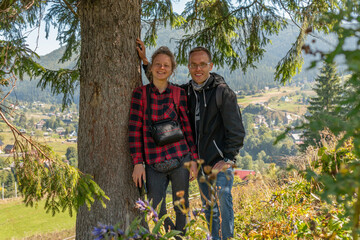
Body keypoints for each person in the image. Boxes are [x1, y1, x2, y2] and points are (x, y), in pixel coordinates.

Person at [137, 39, 245, 240]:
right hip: (200, 161)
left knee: (223, 200)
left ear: (210, 66)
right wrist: (145, 62)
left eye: (202, 64)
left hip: (220, 161)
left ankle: (227, 237)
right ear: (188, 67)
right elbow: (161, 83)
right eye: (194, 64)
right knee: (209, 208)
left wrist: (229, 158)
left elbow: (237, 130)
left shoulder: (223, 92)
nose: (198, 69)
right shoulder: (186, 91)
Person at [129, 45, 198, 235]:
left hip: (180, 160)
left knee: (181, 206)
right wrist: (138, 163)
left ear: (172, 69)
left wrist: (192, 159)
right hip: (152, 163)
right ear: (151, 68)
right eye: (157, 64)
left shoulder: (178, 93)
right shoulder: (140, 94)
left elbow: (187, 129)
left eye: (166, 65)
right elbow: (134, 130)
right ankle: (166, 236)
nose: (161, 68)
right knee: (157, 208)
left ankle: (180, 237)